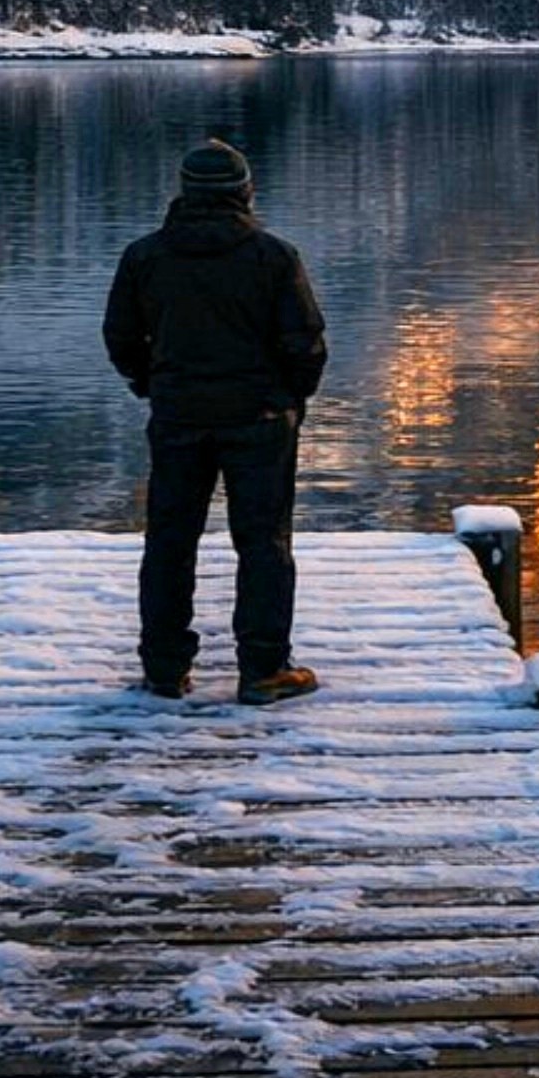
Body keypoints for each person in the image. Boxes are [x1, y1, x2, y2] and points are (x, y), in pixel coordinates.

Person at [104, 137, 329, 703]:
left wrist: (151, 385)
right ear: (244, 192)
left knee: (170, 542)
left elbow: (121, 337)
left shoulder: (145, 256)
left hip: (179, 416)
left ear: (184, 192)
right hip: (259, 418)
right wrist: (289, 399)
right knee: (263, 543)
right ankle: (262, 671)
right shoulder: (274, 256)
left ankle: (163, 669)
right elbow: (305, 344)